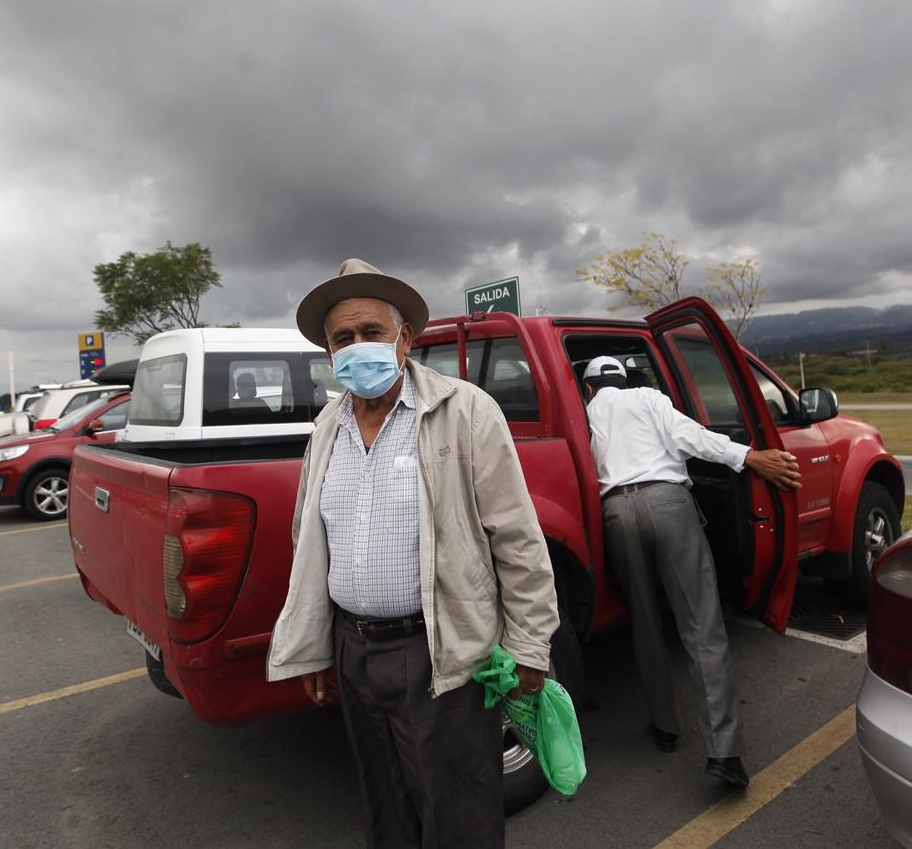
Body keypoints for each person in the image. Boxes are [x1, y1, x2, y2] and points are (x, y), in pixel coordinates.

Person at [267, 259, 560, 848]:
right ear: (329, 355)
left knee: (460, 806)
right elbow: (312, 542)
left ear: (405, 338)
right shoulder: (328, 426)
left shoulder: (466, 410)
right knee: (386, 801)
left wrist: (530, 643)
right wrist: (315, 647)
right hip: (354, 650)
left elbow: (516, 535)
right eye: (342, 339)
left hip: (441, 645)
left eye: (371, 332)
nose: (357, 347)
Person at [581, 355, 802, 789]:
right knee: (701, 626)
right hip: (667, 502)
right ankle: (724, 752)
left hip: (616, 515)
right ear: (623, 380)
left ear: (588, 387)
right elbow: (692, 438)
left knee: (643, 622)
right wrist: (749, 457)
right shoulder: (647, 397)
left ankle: (665, 728)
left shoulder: (586, 412)